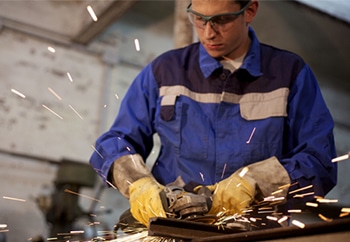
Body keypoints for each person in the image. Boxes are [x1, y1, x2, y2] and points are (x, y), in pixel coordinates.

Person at [90, 0, 337, 227]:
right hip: (174, 229)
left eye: (221, 20)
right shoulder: (165, 72)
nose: (208, 32)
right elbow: (116, 142)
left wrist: (254, 183)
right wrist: (138, 184)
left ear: (249, 11)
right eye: (199, 18)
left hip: (255, 231)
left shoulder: (289, 74)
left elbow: (319, 161)